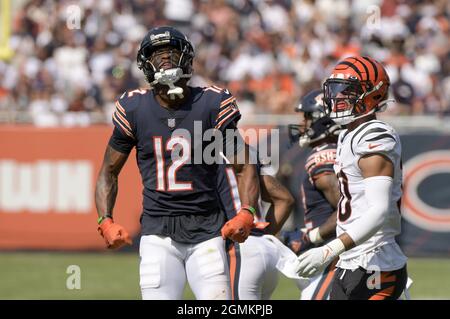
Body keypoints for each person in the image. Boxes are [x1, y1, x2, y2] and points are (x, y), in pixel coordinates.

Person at [94, 26, 260, 300]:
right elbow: (108, 172)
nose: (165, 59)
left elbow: (243, 165)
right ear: (145, 64)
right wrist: (105, 221)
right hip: (158, 233)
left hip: (207, 230)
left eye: (171, 52)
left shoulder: (211, 103)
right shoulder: (134, 108)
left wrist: (247, 211)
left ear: (187, 58)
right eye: (157, 54)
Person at [295, 56, 408, 300]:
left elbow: (380, 211)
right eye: (335, 90)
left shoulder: (375, 135)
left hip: (376, 263)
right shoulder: (348, 134)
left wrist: (329, 249)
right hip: (351, 261)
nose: (337, 98)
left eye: (347, 92)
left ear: (373, 95)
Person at [285, 89, 342, 300]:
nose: (302, 125)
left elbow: (348, 210)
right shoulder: (340, 149)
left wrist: (312, 236)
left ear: (323, 120)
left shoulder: (322, 156)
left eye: (307, 117)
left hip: (337, 256)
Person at [217, 158, 294, 300]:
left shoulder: (205, 154)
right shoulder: (247, 155)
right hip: (266, 247)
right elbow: (285, 199)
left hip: (241, 248)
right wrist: (261, 238)